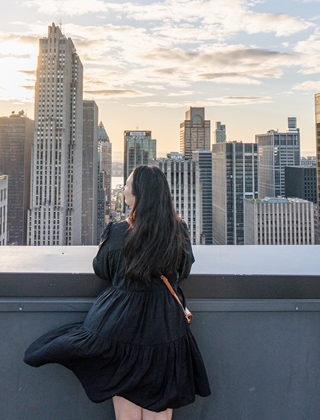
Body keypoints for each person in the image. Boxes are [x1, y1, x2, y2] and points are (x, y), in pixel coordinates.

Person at [24, 165, 211, 419]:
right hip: (165, 327)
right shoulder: (179, 232)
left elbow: (102, 269)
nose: (123, 190)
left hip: (120, 325)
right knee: (159, 414)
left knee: (127, 416)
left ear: (138, 194)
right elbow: (184, 270)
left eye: (127, 185)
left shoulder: (117, 232)